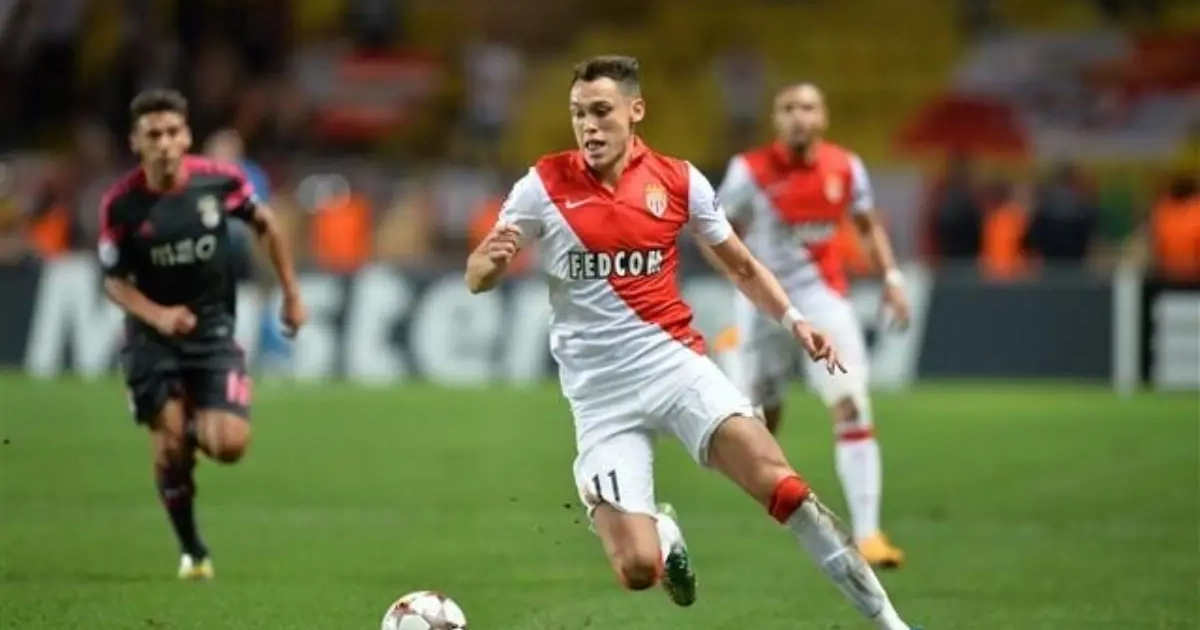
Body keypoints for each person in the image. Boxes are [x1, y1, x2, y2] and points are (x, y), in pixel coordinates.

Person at [465, 56, 920, 630]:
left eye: (602, 111)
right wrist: (489, 264)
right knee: (637, 569)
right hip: (600, 397)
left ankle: (893, 625)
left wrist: (795, 320)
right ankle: (661, 532)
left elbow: (742, 266)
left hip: (675, 366)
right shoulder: (543, 185)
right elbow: (477, 274)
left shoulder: (679, 180)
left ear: (636, 111)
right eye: (579, 114)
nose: (589, 126)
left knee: (786, 490)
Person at [97, 89, 308, 580]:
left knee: (230, 446)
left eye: (172, 132)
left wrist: (291, 295)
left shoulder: (219, 181)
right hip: (151, 338)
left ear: (187, 136)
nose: (164, 143)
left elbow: (268, 225)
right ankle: (192, 550)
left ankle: (187, 421)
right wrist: (158, 315)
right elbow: (113, 282)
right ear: (135, 142)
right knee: (170, 447)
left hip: (213, 332)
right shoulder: (122, 205)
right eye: (153, 135)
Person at [716, 83, 911, 568]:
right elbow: (715, 231)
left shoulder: (846, 167)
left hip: (824, 300)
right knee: (763, 417)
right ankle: (737, 368)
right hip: (765, 304)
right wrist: (741, 280)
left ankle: (869, 534)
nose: (798, 116)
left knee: (851, 405)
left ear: (822, 117)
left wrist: (891, 277)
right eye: (788, 108)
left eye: (807, 108)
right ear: (776, 119)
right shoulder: (749, 171)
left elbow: (866, 225)